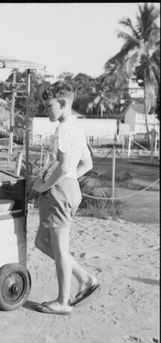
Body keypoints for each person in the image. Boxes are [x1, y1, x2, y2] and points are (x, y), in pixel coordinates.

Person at [31, 81, 99, 315]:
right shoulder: (75, 126)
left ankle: (63, 301)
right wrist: (69, 180)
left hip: (59, 191)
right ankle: (85, 278)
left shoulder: (64, 129)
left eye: (49, 105)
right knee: (41, 242)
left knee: (59, 248)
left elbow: (63, 166)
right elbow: (86, 164)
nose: (46, 110)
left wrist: (43, 186)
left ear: (63, 103)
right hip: (68, 188)